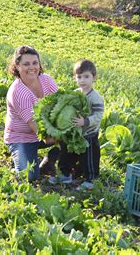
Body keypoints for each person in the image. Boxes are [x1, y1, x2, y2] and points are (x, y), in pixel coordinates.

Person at [4, 45, 58, 182]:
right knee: (29, 176)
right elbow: (33, 124)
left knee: (75, 133)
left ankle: (49, 161)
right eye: (26, 64)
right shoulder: (18, 91)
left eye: (35, 63)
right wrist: (55, 137)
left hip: (43, 133)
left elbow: (61, 104)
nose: (32, 67)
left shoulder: (46, 80)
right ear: (17, 66)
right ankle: (18, 158)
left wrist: (66, 130)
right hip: (22, 137)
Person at [49, 59, 104, 190]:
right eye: (79, 77)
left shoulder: (95, 98)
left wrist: (85, 121)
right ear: (75, 78)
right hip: (74, 133)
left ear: (94, 78)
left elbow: (98, 116)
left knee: (89, 158)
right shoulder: (75, 93)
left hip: (88, 134)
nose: (82, 80)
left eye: (86, 76)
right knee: (66, 153)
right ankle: (65, 175)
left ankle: (91, 180)